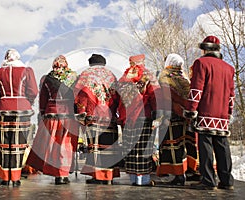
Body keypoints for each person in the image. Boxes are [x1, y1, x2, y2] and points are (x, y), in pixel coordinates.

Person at [0, 49, 38, 187]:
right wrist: (27, 101)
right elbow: (33, 91)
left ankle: (5, 177)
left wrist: (1, 100)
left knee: (4, 145)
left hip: (4, 110)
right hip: (22, 111)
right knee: (18, 145)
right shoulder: (27, 71)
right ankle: (16, 178)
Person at [184, 35, 235, 190]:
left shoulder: (201, 63)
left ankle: (208, 181)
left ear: (204, 49)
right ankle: (226, 181)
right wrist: (229, 112)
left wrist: (191, 109)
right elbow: (231, 94)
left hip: (206, 112)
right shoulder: (229, 68)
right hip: (222, 114)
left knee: (205, 147)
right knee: (222, 146)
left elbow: (196, 89)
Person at [26, 55, 79, 185]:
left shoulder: (46, 78)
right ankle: (63, 174)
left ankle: (56, 173)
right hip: (68, 116)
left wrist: (42, 113)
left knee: (53, 146)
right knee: (66, 145)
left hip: (51, 115)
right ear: (66, 64)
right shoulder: (74, 77)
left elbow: (43, 99)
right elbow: (77, 97)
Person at [74, 54, 120, 185]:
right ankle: (108, 175)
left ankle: (97, 176)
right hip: (109, 116)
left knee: (95, 148)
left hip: (93, 116)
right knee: (109, 147)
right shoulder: (111, 75)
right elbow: (117, 96)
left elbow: (81, 95)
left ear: (91, 63)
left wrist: (81, 112)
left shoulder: (86, 74)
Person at [156, 53, 197, 185]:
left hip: (173, 114)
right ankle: (193, 171)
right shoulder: (184, 76)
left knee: (174, 145)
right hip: (188, 115)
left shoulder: (164, 75)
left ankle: (178, 175)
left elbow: (167, 96)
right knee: (188, 143)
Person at [117, 54, 157, 186]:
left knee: (131, 148)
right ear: (142, 62)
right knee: (143, 147)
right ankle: (143, 180)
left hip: (127, 118)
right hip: (144, 116)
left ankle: (134, 179)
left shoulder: (124, 78)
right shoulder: (148, 76)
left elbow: (118, 98)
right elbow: (155, 95)